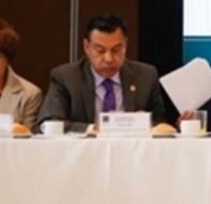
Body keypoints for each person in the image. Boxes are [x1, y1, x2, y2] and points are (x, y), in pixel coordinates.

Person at [36, 14, 166, 132]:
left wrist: (142, 123)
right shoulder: (66, 77)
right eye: (100, 50)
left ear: (125, 46)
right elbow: (48, 123)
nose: (108, 58)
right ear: (86, 47)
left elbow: (161, 124)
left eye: (116, 50)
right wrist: (92, 129)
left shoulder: (146, 76)